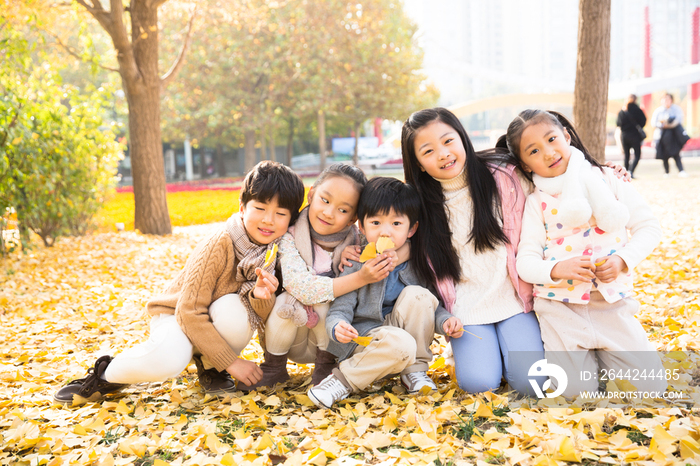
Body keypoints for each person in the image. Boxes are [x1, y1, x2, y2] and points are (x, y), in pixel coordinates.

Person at [53, 161, 305, 404]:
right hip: (177, 315)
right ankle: (105, 374)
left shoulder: (276, 252)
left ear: (290, 219)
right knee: (170, 361)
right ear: (242, 207)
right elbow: (189, 310)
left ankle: (210, 366)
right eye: (260, 208)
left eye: (280, 213)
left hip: (212, 318)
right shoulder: (220, 243)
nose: (268, 220)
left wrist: (260, 298)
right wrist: (232, 362)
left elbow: (257, 316)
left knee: (237, 313)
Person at [507, 109, 665, 398]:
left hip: (612, 304)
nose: (549, 152)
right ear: (524, 165)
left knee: (650, 387)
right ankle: (588, 365)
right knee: (573, 393)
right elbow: (525, 262)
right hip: (561, 310)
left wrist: (622, 260)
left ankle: (608, 357)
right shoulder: (535, 203)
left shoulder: (607, 178)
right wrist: (556, 269)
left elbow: (648, 227)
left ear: (567, 136)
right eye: (534, 151)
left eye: (553, 139)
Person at [400, 107, 546, 396]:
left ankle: (508, 351)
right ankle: (488, 354)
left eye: (448, 141)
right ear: (417, 163)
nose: (443, 154)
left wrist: (602, 172)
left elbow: (554, 181)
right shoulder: (419, 205)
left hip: (514, 298)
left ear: (462, 138)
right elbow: (386, 227)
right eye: (428, 151)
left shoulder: (504, 177)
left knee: (532, 383)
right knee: (479, 384)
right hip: (466, 307)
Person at [240, 164, 405, 390]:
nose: (329, 213)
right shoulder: (289, 236)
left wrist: (360, 259)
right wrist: (360, 277)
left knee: (329, 305)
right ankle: (274, 367)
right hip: (292, 336)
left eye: (343, 210)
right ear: (311, 195)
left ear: (353, 219)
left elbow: (400, 245)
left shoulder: (358, 242)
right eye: (325, 201)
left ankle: (325, 367)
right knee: (286, 302)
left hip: (332, 341)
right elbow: (300, 286)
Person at [307, 177, 463, 408]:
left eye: (396, 224)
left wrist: (446, 321)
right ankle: (340, 382)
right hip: (366, 339)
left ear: (412, 229)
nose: (385, 232)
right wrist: (337, 326)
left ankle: (414, 371)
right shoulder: (356, 261)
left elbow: (430, 305)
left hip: (401, 335)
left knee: (418, 295)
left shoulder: (416, 263)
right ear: (361, 226)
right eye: (376, 222)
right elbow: (340, 308)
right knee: (401, 343)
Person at [652, 93, 689, 178]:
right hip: (662, 135)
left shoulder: (676, 109)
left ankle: (681, 170)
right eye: (664, 99)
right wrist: (662, 124)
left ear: (671, 100)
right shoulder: (658, 111)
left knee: (676, 153)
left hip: (674, 135)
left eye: (668, 99)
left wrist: (669, 124)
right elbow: (653, 123)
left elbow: (679, 120)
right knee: (664, 154)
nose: (666, 101)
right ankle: (667, 172)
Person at [616, 94, 647, 178]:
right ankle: (631, 171)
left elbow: (618, 123)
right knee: (637, 154)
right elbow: (643, 122)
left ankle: (624, 173)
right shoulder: (638, 110)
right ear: (635, 100)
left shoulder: (622, 111)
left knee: (626, 155)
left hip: (624, 135)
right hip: (635, 136)